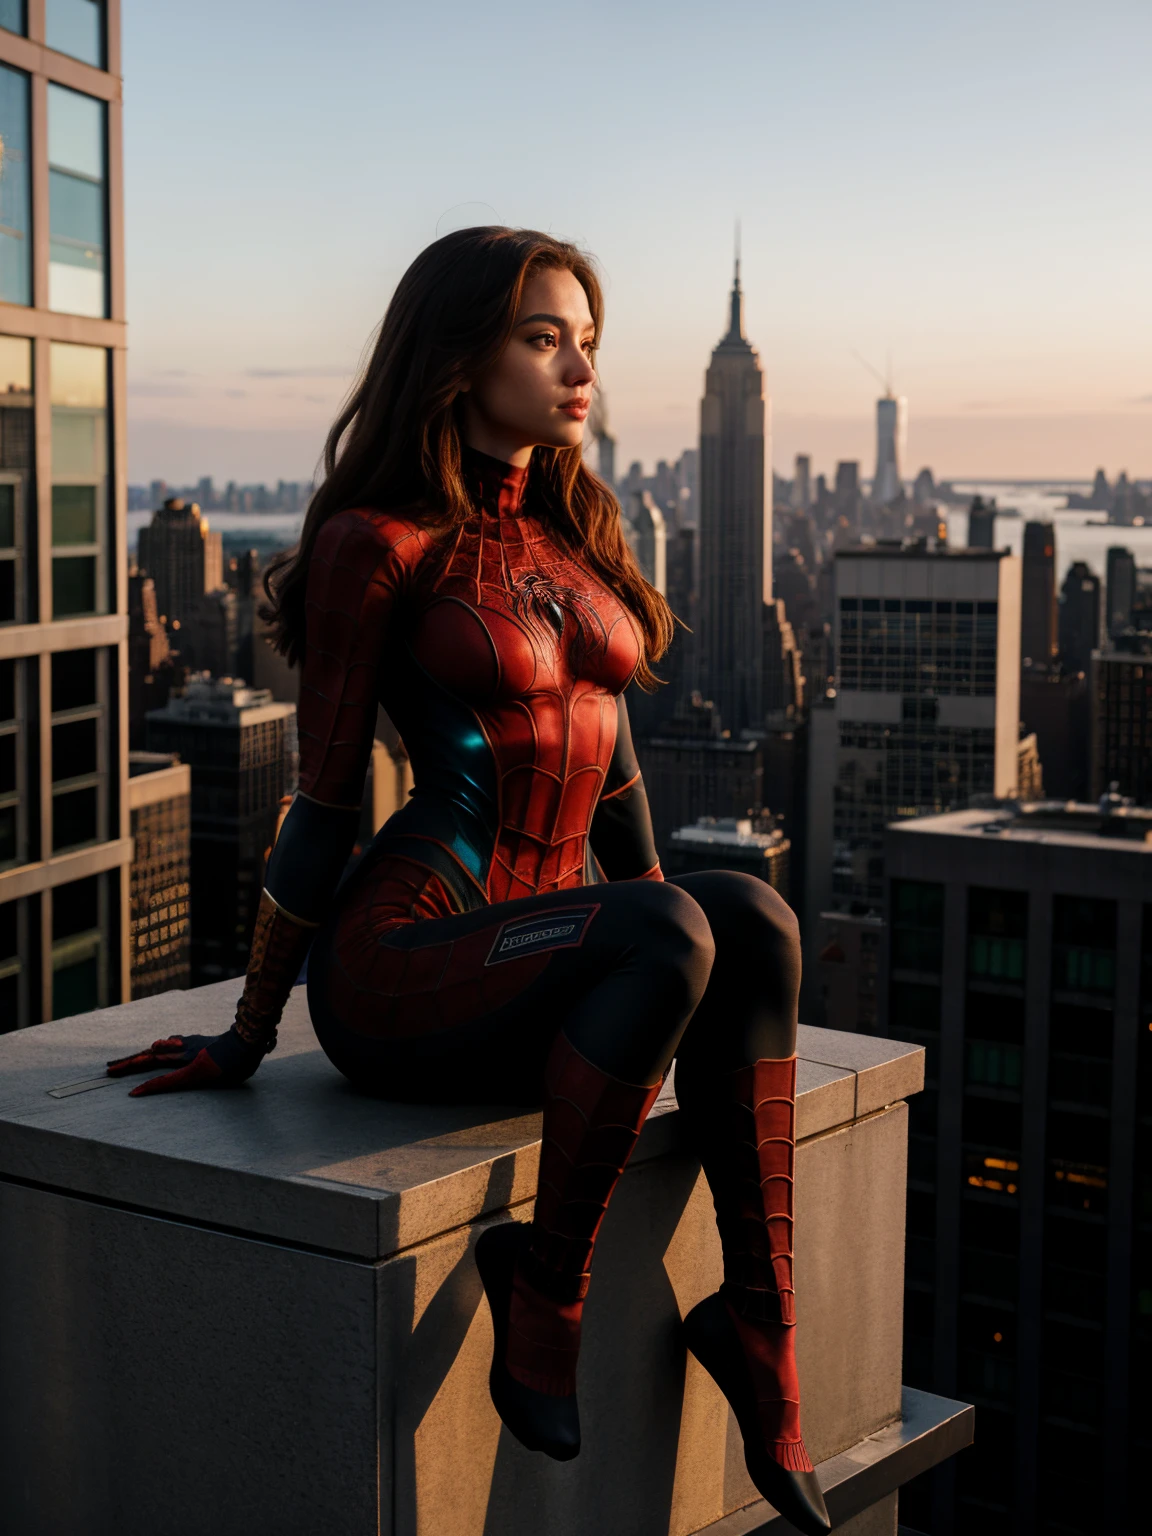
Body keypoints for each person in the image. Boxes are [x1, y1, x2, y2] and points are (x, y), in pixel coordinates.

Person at [107, 228, 830, 1535]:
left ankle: (762, 1318)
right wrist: (249, 1033)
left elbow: (609, 782)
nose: (577, 372)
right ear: (459, 355)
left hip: (544, 962)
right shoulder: (374, 544)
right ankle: (543, 1286)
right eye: (542, 338)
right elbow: (323, 801)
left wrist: (679, 960)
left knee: (756, 919)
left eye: (587, 344)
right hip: (403, 969)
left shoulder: (572, 539)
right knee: (679, 923)